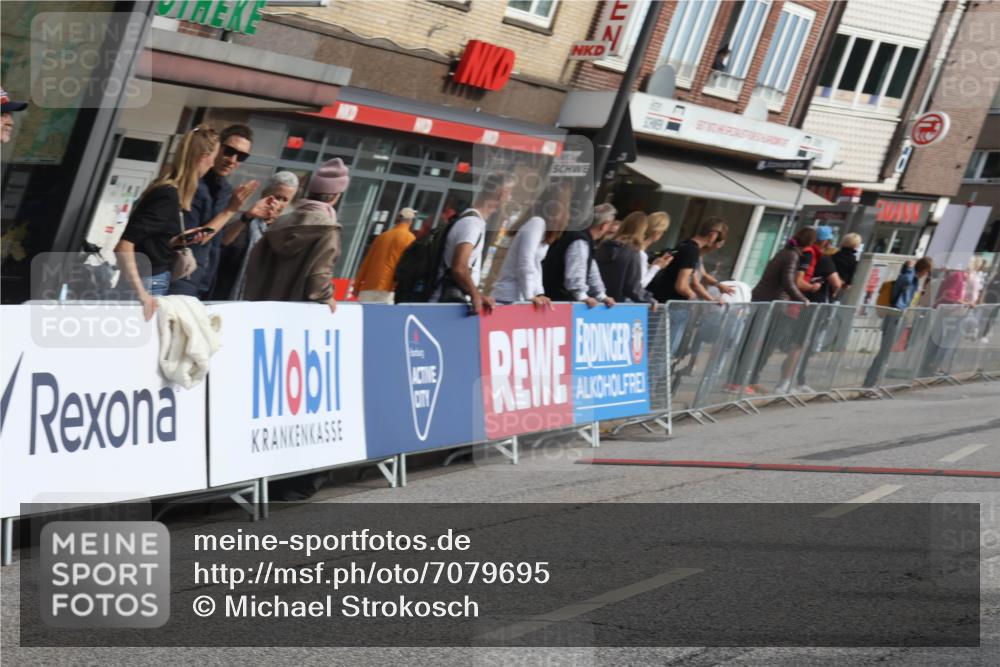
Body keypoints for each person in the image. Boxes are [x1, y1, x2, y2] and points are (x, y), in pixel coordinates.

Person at [115, 126, 220, 321]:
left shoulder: (172, 192)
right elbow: (124, 246)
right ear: (202, 157)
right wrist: (142, 294)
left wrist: (175, 242)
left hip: (152, 279)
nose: (213, 163)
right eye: (213, 156)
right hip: (147, 282)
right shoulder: (168, 195)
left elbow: (148, 242)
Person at [242, 158, 349, 311]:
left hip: (263, 309)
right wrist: (327, 297)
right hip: (297, 314)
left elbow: (255, 264)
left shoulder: (278, 222)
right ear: (335, 195)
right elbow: (319, 276)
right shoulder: (328, 229)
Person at [169, 124, 260, 299]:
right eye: (228, 151)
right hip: (179, 279)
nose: (232, 160)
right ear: (217, 148)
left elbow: (221, 240)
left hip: (206, 282)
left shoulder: (226, 190)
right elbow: (191, 239)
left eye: (241, 156)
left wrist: (246, 217)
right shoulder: (192, 184)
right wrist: (230, 210)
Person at [736, 227, 815, 394]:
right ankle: (742, 381)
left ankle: (748, 379)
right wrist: (802, 299)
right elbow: (788, 282)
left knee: (760, 343)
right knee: (763, 344)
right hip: (770, 303)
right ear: (809, 244)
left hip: (765, 301)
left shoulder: (785, 252)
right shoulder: (792, 256)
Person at [431, 172, 513, 314]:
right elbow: (459, 268)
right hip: (444, 308)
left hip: (450, 306)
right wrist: (476, 295)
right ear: (501, 193)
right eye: (510, 193)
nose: (510, 198)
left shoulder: (474, 221)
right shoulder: (472, 224)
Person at [212, 171, 299, 300]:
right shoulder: (242, 222)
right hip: (225, 294)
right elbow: (222, 245)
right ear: (264, 194)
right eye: (277, 196)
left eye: (285, 200)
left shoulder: (285, 232)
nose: (279, 203)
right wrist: (248, 217)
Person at [649, 217, 728, 356]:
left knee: (657, 349)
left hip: (662, 301)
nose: (717, 244)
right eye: (718, 240)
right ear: (713, 234)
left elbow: (696, 279)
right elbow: (682, 285)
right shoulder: (692, 251)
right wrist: (693, 297)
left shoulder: (685, 244)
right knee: (665, 352)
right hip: (674, 307)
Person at [491, 182, 570, 307]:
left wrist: (538, 293)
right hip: (510, 296)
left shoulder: (544, 228)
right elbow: (525, 260)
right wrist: (530, 295)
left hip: (520, 296)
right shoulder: (536, 223)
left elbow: (535, 265)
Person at [865, 257, 933, 387]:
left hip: (897, 315)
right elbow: (902, 295)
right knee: (884, 352)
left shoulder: (912, 278)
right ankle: (870, 384)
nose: (927, 275)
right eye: (927, 271)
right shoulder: (910, 278)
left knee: (885, 352)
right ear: (924, 269)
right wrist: (909, 269)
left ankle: (873, 383)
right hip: (895, 316)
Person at [542, 203, 617, 308]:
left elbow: (591, 270)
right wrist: (582, 296)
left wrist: (601, 295)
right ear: (604, 225)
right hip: (559, 301)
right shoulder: (580, 241)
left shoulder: (583, 239)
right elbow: (576, 270)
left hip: (556, 298)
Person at [353, 207, 418, 304]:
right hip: (389, 288)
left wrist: (356, 286)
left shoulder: (382, 236)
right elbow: (407, 267)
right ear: (410, 221)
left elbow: (366, 262)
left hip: (369, 286)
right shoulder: (410, 238)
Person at [596, 211, 657, 306]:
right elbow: (632, 286)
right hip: (615, 306)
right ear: (642, 230)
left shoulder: (603, 245)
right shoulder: (632, 252)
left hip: (592, 302)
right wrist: (648, 299)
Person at [640, 211, 672, 287]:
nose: (662, 235)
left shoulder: (639, 250)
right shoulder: (641, 253)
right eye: (663, 231)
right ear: (658, 231)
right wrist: (657, 267)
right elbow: (640, 285)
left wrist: (652, 265)